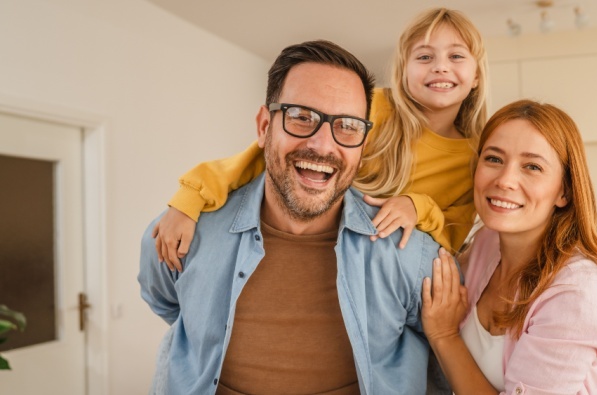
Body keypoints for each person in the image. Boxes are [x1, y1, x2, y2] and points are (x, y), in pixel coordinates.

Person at [138, 40, 443, 395]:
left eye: (347, 126)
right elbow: (164, 299)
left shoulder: (409, 251)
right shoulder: (185, 232)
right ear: (265, 125)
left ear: (363, 142)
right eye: (301, 117)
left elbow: (445, 355)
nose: (323, 145)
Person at [151, 8, 489, 271]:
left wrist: (418, 206)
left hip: (379, 269)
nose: (440, 67)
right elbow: (268, 156)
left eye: (456, 56)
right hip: (308, 245)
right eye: (425, 57)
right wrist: (191, 196)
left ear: (476, 75)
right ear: (403, 70)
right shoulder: (373, 107)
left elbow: (450, 243)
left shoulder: (475, 157)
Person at [421, 100, 597, 394]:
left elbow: (444, 330)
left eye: (532, 166)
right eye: (493, 159)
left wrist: (444, 335)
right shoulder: (485, 244)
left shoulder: (576, 292)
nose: (505, 180)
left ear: (564, 191)